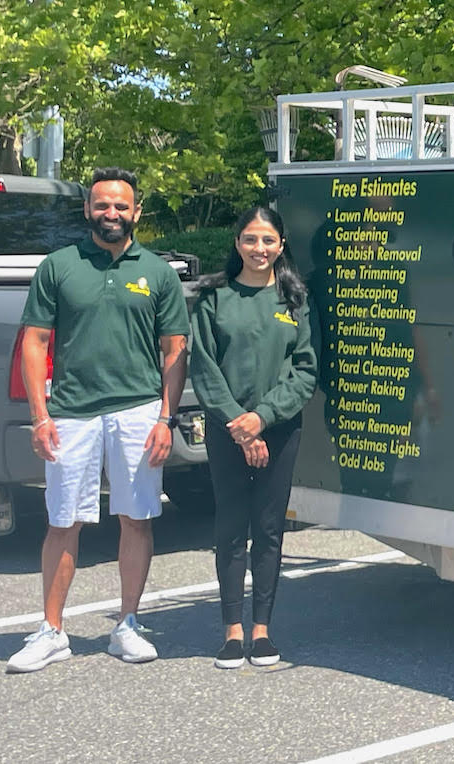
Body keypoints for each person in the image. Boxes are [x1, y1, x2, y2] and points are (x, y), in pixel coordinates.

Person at [7, 167, 189, 673]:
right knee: (63, 521)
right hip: (71, 412)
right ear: (88, 210)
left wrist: (166, 419)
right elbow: (34, 342)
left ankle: (127, 624)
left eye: (121, 206)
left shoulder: (157, 271)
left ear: (137, 213)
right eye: (102, 205)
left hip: (138, 412)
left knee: (137, 519)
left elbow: (175, 351)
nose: (112, 213)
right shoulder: (58, 266)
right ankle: (52, 631)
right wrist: (40, 416)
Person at [187, 206, 315, 669]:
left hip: (279, 432)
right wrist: (240, 426)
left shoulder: (295, 300)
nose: (259, 249)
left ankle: (262, 631)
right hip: (228, 432)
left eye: (267, 241)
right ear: (236, 242)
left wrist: (262, 419)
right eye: (249, 239)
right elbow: (203, 368)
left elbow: (305, 372)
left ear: (281, 246)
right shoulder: (214, 297)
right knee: (230, 527)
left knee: (268, 530)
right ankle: (231, 631)